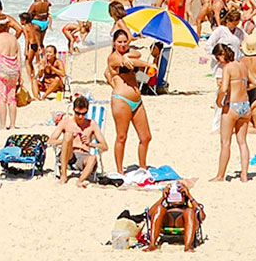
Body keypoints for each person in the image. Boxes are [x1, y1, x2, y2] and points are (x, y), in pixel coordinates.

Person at [107, 29, 153, 174]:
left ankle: (142, 167)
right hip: (122, 100)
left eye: (125, 41)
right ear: (114, 43)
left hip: (137, 100)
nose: (122, 44)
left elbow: (136, 54)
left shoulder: (128, 53)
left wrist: (127, 53)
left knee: (146, 137)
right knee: (122, 136)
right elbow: (131, 61)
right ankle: (120, 171)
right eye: (119, 42)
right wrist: (149, 65)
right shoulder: (112, 58)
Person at [212, 43, 253, 182]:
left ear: (222, 55)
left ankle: (220, 175)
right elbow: (253, 83)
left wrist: (219, 101)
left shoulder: (228, 68)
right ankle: (244, 175)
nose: (218, 61)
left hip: (232, 105)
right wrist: (239, 87)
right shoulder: (242, 65)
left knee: (225, 142)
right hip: (245, 105)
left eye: (218, 58)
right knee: (242, 142)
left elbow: (223, 89)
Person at [54, 94, 107, 186]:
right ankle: (63, 175)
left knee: (93, 158)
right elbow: (51, 141)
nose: (80, 117)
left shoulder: (92, 124)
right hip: (69, 154)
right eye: (77, 113)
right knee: (68, 135)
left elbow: (105, 146)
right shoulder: (65, 123)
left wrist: (90, 143)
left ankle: (80, 181)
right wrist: (67, 140)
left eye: (83, 114)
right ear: (73, 110)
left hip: (84, 156)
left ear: (87, 111)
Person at [141, 180, 202, 252]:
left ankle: (188, 246)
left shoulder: (188, 206)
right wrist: (163, 198)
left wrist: (189, 195)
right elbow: (150, 215)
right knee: (160, 208)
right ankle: (152, 245)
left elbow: (201, 216)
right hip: (167, 220)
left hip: (182, 221)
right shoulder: (164, 207)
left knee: (189, 211)